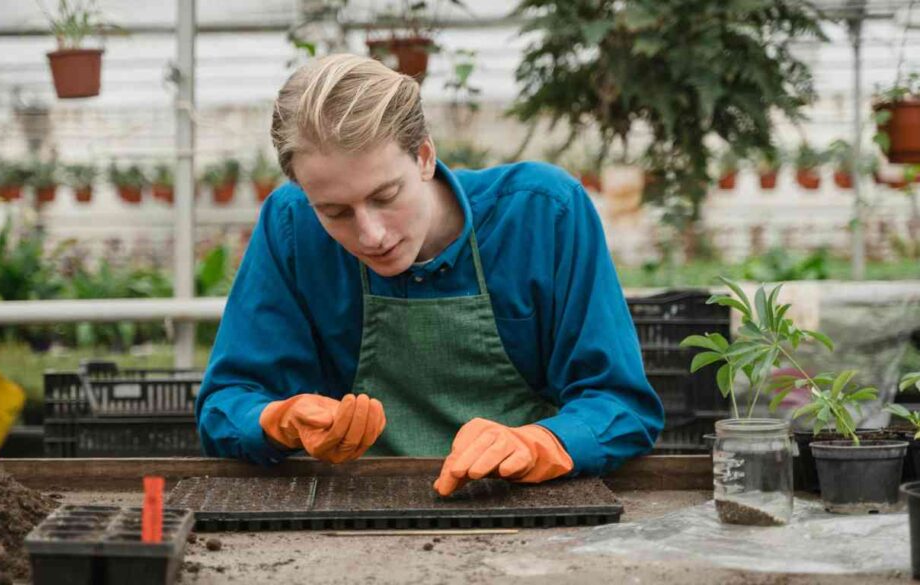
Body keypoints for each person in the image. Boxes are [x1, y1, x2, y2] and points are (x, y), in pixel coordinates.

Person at [196, 54, 664, 496]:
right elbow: (227, 403)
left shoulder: (543, 213)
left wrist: (543, 443)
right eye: (335, 212)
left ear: (423, 156)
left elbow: (620, 402)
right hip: (357, 509)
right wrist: (278, 420)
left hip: (520, 507)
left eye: (385, 196)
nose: (372, 234)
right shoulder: (290, 225)